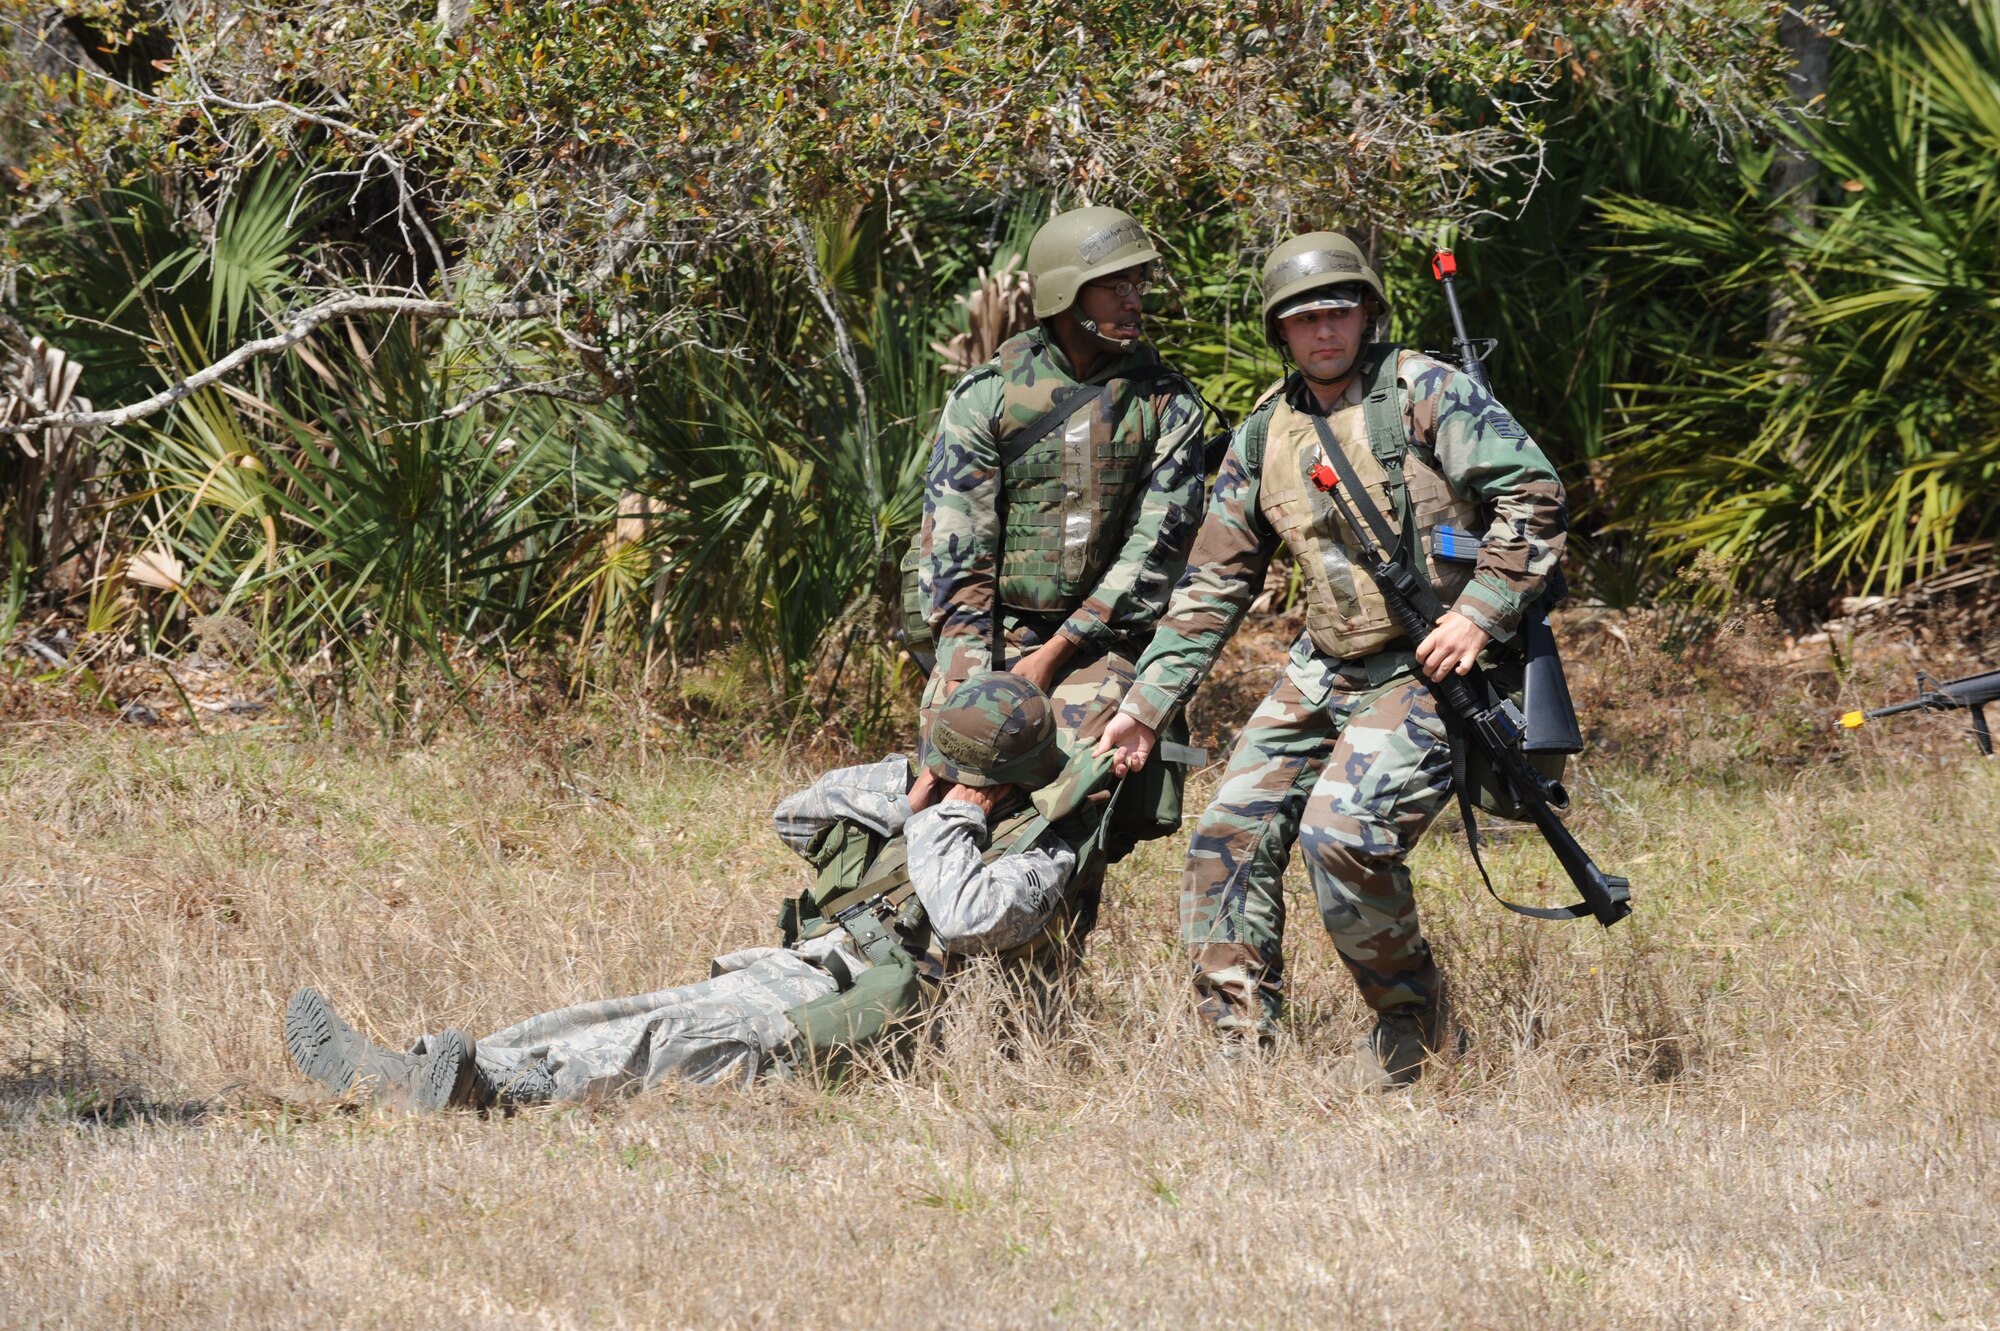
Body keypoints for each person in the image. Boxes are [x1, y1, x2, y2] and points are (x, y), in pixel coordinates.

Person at [1093, 232, 1569, 1087]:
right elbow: (1213, 583)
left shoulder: (1425, 391)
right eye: (1303, 317)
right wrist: (1147, 702)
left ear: (1367, 311)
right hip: (1326, 662)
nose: (1324, 331)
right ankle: (1239, 1051)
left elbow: (1533, 493)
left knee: (1342, 835)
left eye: (1338, 310)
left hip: (1431, 665)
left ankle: (1412, 1027)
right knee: (1222, 838)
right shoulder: (1263, 436)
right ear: (1280, 330)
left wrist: (1479, 614)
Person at [283, 675, 1104, 1111]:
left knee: (672, 1042)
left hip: (880, 1016)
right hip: (821, 964)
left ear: (995, 782)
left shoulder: (1043, 855)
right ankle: (414, 1069)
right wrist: (909, 788)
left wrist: (948, 818)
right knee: (617, 1015)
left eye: (958, 770)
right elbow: (796, 817)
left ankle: (494, 1090)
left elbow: (963, 919)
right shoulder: (939, 803)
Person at [915, 204, 1210, 753]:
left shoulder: (1166, 401)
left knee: (1079, 784)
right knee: (951, 774)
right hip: (991, 632)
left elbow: (1157, 548)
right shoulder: (988, 394)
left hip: (1104, 638)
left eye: (1138, 284)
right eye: (1114, 286)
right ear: (1065, 296)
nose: (1134, 300)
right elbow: (959, 544)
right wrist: (966, 676)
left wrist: (1056, 654)